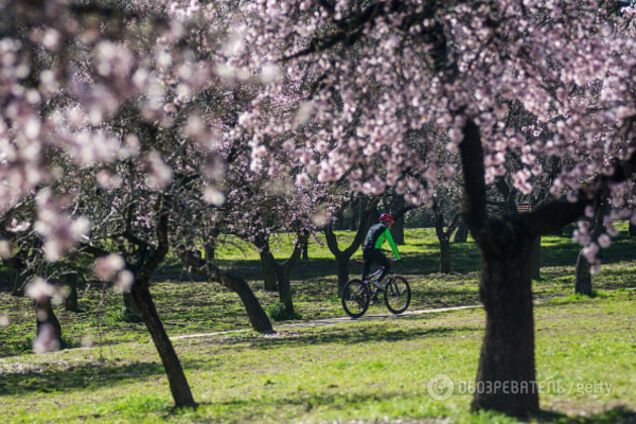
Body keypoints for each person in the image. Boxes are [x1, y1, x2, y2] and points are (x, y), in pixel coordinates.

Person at [362, 213, 401, 287]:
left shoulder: (372, 227)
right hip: (374, 251)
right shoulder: (385, 229)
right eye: (390, 223)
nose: (390, 225)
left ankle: (365, 295)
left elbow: (370, 240)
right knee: (388, 265)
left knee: (365, 277)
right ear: (387, 222)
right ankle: (378, 281)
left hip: (365, 250)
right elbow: (392, 244)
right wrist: (397, 256)